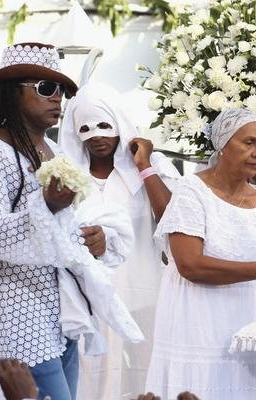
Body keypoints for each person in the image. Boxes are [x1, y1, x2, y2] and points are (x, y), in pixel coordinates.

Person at [0, 42, 107, 400]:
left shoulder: (56, 150)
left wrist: (96, 238)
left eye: (62, 90)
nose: (58, 99)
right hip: (20, 314)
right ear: (13, 93)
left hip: (64, 309)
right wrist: (45, 206)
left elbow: (68, 225)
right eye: (47, 88)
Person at [144, 108, 256, 400]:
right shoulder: (191, 191)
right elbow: (190, 265)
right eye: (249, 143)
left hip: (245, 333)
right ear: (223, 145)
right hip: (195, 326)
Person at [58, 84, 180, 399]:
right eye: (85, 128)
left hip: (144, 291)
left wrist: (144, 166)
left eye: (104, 125)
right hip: (88, 297)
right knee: (92, 373)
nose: (96, 135)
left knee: (147, 368)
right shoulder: (66, 175)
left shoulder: (154, 166)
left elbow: (172, 216)